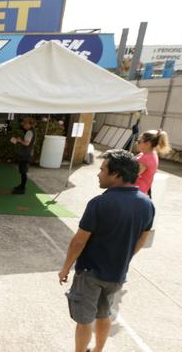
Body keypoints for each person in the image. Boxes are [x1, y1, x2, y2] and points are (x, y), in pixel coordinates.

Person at [58, 149, 154, 352]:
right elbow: (141, 240)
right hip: (117, 274)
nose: (98, 173)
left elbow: (78, 242)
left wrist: (66, 268)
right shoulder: (147, 204)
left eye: (102, 169)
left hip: (90, 273)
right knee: (104, 313)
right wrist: (124, 258)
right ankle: (98, 350)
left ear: (117, 175)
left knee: (84, 320)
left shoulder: (99, 203)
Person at [134, 129, 171, 197]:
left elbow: (131, 175)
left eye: (139, 141)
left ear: (148, 143)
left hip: (134, 192)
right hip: (140, 191)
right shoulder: (149, 154)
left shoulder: (145, 159)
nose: (136, 143)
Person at [10, 117, 36, 194]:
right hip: (27, 153)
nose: (23, 125)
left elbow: (27, 143)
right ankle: (21, 186)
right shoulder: (32, 131)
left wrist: (19, 140)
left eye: (25, 123)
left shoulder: (30, 132)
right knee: (23, 171)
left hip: (26, 154)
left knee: (23, 171)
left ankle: (22, 188)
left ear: (29, 124)